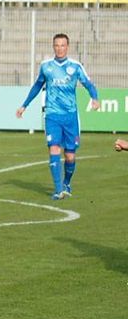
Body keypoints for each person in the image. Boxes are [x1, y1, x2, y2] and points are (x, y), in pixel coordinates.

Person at [16, 33, 100, 200]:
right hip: (52, 115)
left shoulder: (75, 66)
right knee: (54, 148)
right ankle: (58, 189)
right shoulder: (46, 66)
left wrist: (95, 98)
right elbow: (37, 86)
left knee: (70, 156)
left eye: (63, 45)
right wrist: (24, 105)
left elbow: (89, 84)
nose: (60, 48)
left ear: (67, 47)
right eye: (57, 45)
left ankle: (66, 183)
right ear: (53, 47)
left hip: (70, 116)